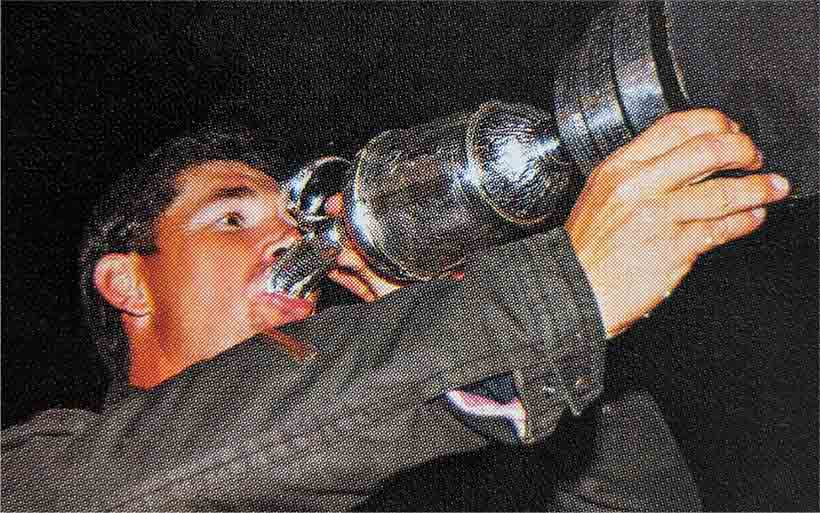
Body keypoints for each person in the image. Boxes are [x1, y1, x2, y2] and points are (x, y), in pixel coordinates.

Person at [1, 108, 788, 511]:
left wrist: (527, 357)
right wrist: (549, 296)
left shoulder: (413, 475)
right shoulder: (44, 472)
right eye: (232, 218)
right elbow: (204, 452)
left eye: (297, 225)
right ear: (127, 283)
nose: (290, 242)